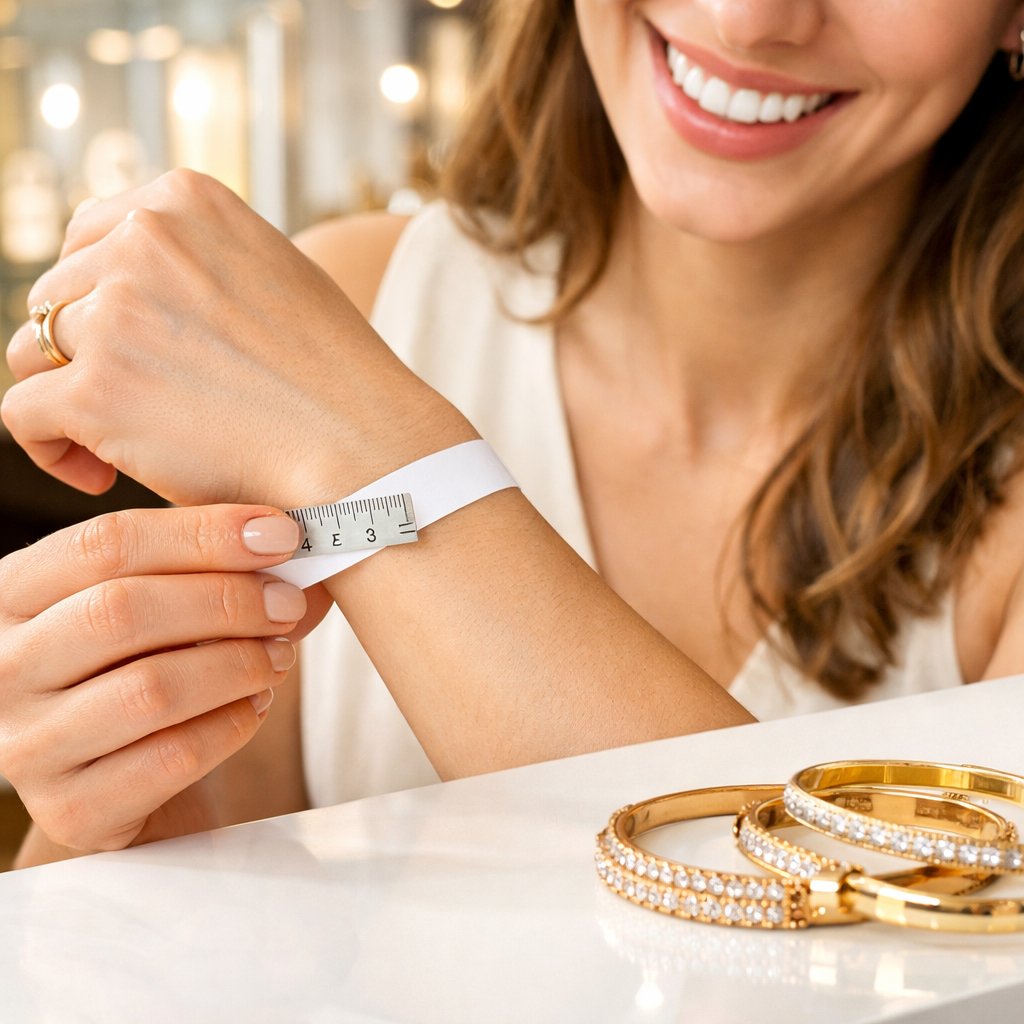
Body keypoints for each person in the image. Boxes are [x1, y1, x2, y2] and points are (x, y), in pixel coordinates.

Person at [4, 0, 1024, 866]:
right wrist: (120, 816)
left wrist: (378, 457)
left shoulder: (322, 377)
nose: (748, 19)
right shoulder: (358, 304)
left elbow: (831, 963)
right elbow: (140, 946)